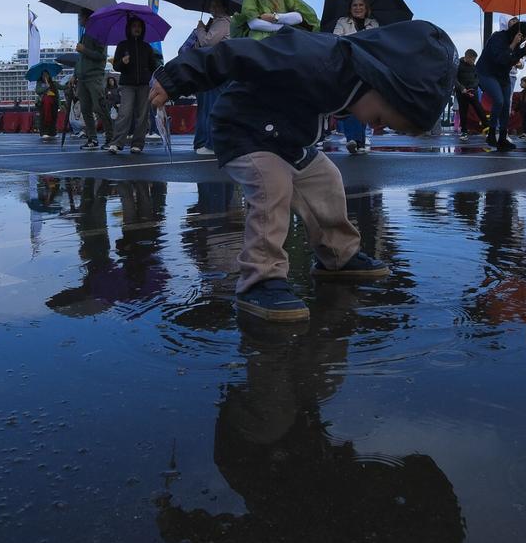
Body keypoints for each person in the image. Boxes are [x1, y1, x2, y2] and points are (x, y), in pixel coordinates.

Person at [149, 20, 456, 321]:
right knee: (272, 185)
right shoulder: (317, 58)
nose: (376, 126)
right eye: (383, 118)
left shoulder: (356, 82)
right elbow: (236, 53)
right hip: (243, 129)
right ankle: (260, 279)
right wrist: (176, 77)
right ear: (385, 83)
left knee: (327, 179)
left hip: (288, 139)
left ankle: (338, 255)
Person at [332, 0, 380, 154]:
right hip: (349, 66)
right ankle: (353, 139)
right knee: (352, 101)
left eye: (361, 5)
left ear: (366, 8)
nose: (358, 8)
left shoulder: (373, 24)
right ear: (350, 8)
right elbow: (336, 38)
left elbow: (378, 43)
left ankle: (359, 142)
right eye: (354, 5)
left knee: (363, 103)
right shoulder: (342, 22)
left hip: (367, 68)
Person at [476, 20, 526, 151]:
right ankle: (491, 134)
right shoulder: (498, 37)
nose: (524, 39)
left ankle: (502, 137)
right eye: (524, 36)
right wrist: (513, 44)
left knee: (507, 104)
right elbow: (500, 58)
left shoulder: (517, 43)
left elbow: (511, 60)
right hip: (486, 72)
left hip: (502, 75)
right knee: (499, 100)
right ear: (518, 34)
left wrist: (524, 50)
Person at [108, 17, 161, 155]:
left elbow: (153, 66)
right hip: (127, 85)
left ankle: (137, 144)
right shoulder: (122, 45)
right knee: (124, 113)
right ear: (129, 29)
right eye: (134, 26)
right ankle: (116, 143)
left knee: (142, 115)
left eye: (139, 26)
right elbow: (116, 66)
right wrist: (122, 62)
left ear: (142, 29)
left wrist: (155, 78)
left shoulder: (147, 47)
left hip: (144, 84)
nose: (137, 28)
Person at [191, 0, 233, 155]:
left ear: (224, 7)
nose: (213, 8)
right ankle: (202, 141)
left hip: (216, 70)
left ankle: (210, 144)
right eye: (212, 5)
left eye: (217, 5)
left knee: (211, 106)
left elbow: (208, 42)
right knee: (205, 106)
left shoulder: (223, 22)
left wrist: (200, 29)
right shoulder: (216, 23)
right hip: (209, 69)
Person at [75, 10, 110, 150]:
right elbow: (81, 59)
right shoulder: (84, 34)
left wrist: (84, 50)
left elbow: (102, 56)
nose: (79, 19)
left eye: (80, 16)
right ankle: (92, 138)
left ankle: (111, 138)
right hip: (83, 77)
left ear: (88, 17)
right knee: (85, 109)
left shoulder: (99, 33)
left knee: (100, 107)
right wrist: (74, 74)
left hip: (94, 76)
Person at [454, 49, 488, 142]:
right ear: (467, 57)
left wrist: (474, 87)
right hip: (462, 92)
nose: (473, 62)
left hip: (472, 91)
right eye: (472, 59)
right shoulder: (458, 65)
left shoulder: (474, 66)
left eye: (474, 60)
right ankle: (464, 132)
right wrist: (462, 89)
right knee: (463, 111)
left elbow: (477, 78)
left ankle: (488, 128)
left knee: (479, 109)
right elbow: (454, 79)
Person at [35, 70, 60, 141]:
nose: (45, 76)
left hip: (54, 103)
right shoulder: (40, 83)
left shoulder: (54, 83)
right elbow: (38, 91)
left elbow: (61, 87)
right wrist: (46, 86)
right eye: (43, 75)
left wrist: (69, 84)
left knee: (53, 117)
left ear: (49, 76)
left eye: (46, 75)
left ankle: (53, 133)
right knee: (44, 117)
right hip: (43, 104)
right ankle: (44, 132)